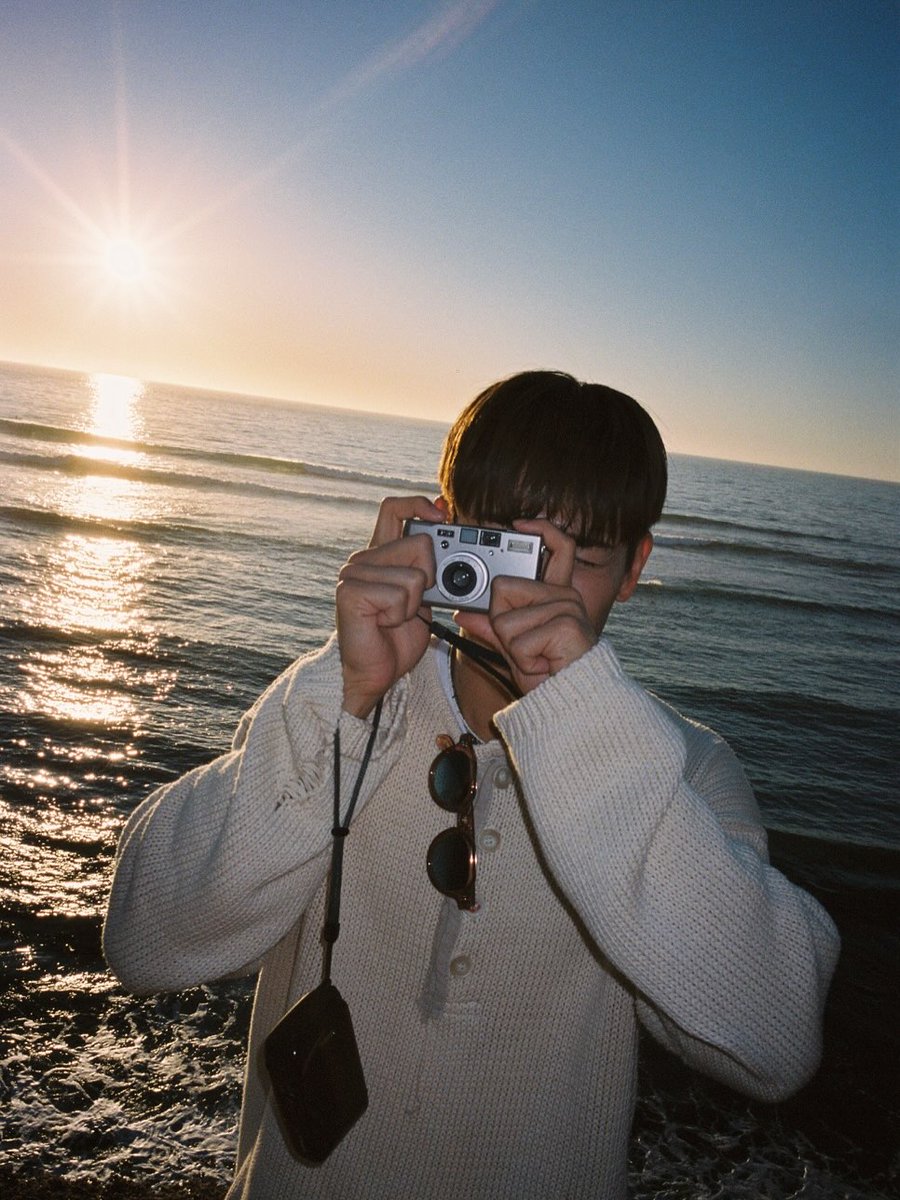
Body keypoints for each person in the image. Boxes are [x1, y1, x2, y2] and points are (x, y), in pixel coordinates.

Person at [104, 370, 840, 1199]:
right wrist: (345, 695)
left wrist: (583, 721)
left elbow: (776, 1039)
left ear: (635, 569)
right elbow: (144, 939)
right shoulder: (337, 703)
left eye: (584, 559)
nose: (537, 590)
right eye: (506, 546)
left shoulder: (679, 766)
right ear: (444, 530)